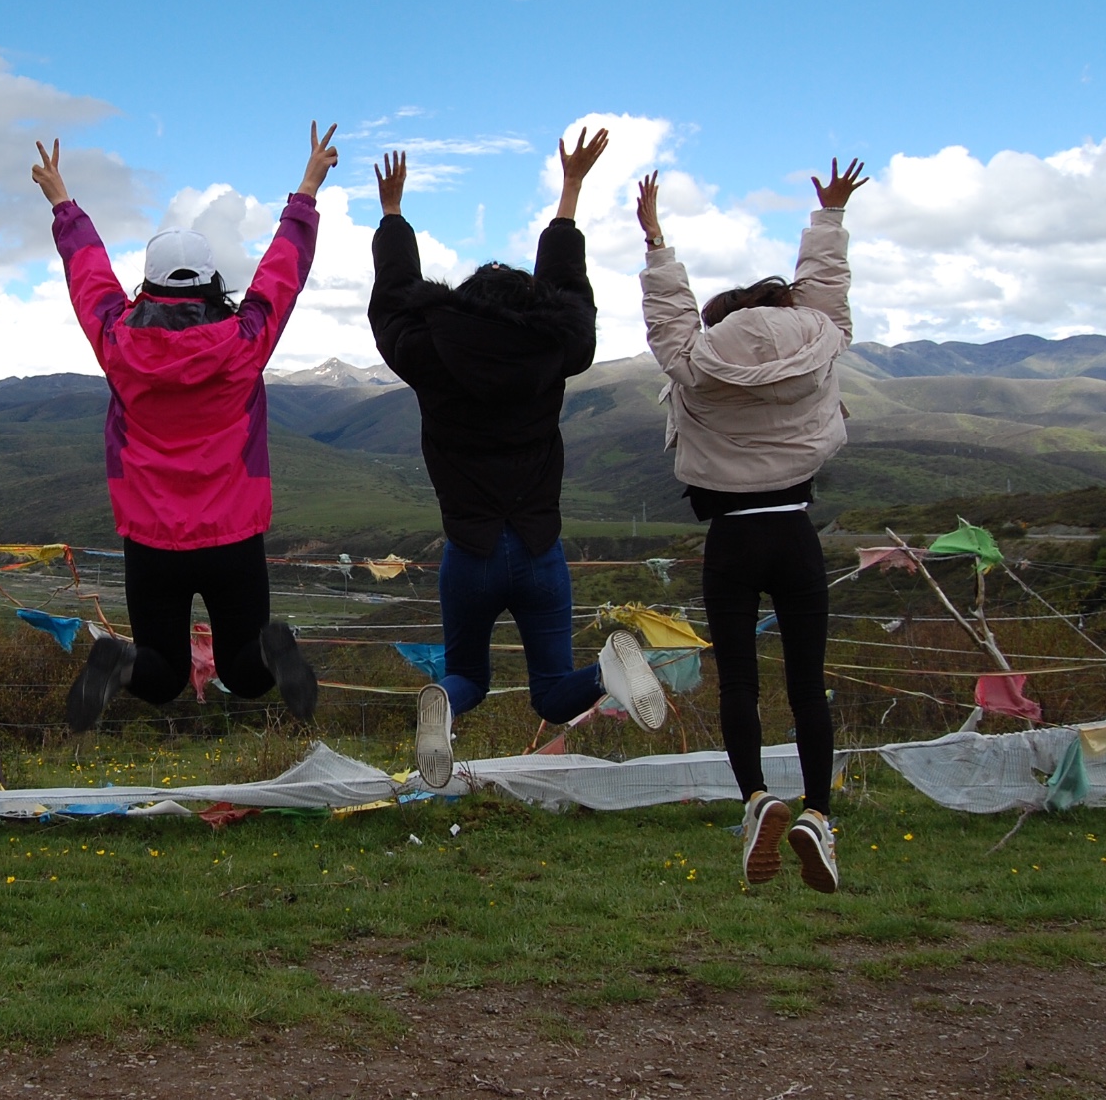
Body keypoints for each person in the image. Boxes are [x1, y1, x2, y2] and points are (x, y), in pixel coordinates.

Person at [369, 130, 669, 792]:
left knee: (469, 674)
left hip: (469, 551)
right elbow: (569, 291)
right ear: (535, 313)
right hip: (539, 549)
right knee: (554, 690)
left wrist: (392, 215)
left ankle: (443, 705)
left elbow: (393, 302)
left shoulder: (430, 355)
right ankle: (610, 674)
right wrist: (570, 191)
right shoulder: (554, 352)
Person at [33, 126, 336, 731]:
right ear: (210, 278)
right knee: (246, 672)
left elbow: (87, 277)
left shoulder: (118, 341)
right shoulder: (245, 339)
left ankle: (117, 661)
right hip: (233, 538)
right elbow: (282, 274)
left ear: (147, 282)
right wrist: (305, 189)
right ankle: (277, 651)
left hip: (151, 542)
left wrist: (63, 202)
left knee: (163, 673)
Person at [636, 156, 868, 894]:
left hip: (730, 539)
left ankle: (758, 800)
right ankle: (818, 817)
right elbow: (827, 294)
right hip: (796, 533)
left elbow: (669, 317)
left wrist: (656, 241)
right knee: (807, 685)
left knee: (740, 683)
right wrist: (827, 219)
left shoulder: (695, 361)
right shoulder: (820, 340)